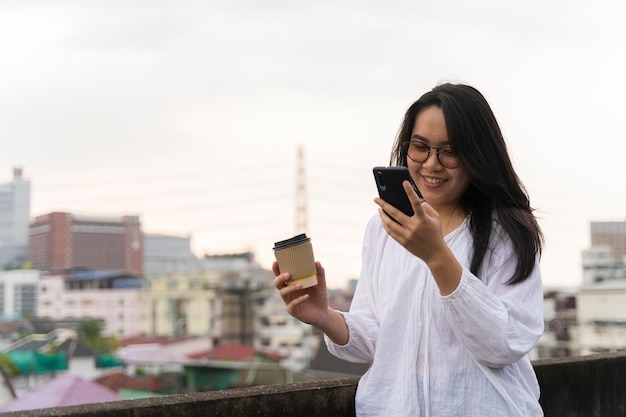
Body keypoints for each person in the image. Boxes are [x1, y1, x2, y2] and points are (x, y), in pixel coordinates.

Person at [273, 82, 544, 416]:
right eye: (420, 147)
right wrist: (324, 317)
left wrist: (436, 255)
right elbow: (376, 338)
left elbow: (504, 344)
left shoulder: (507, 233)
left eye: (450, 151)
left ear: (477, 155)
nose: (431, 164)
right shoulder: (382, 229)